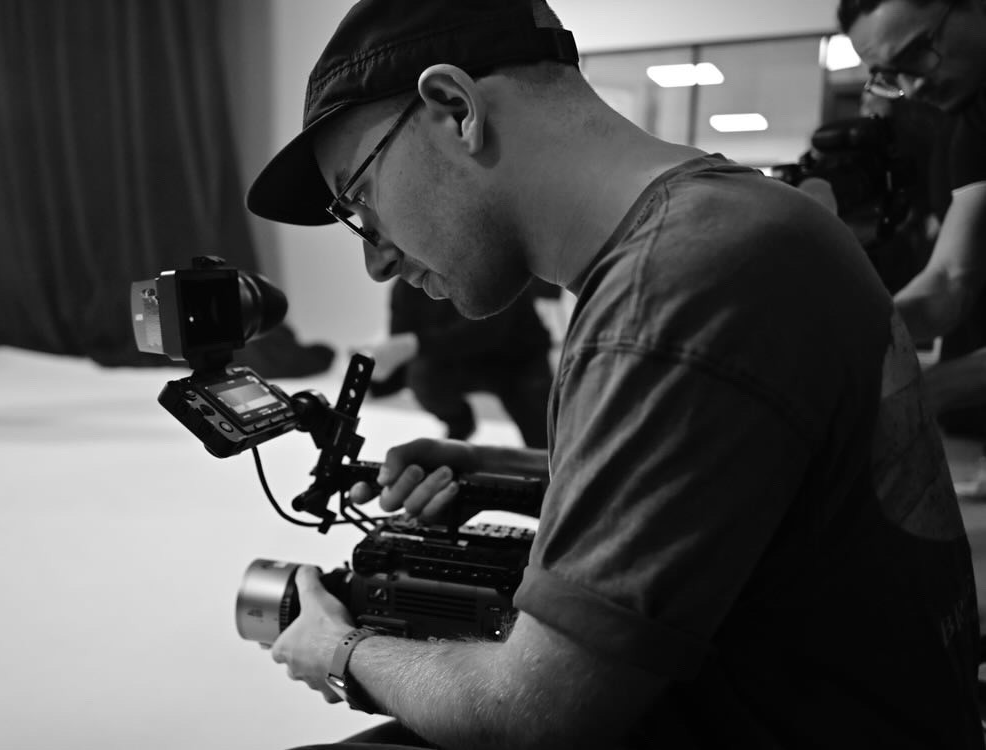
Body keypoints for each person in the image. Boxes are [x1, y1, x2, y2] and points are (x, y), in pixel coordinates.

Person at [245, 1, 982, 746]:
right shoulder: (745, 215)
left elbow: (532, 714)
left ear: (453, 108)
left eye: (359, 202)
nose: (375, 260)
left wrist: (341, 652)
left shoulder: (670, 290)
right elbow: (746, 473)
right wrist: (500, 467)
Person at [841, 0, 986, 452]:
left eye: (916, 53)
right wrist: (836, 335)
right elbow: (948, 280)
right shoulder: (973, 121)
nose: (913, 84)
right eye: (889, 73)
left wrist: (924, 389)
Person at [364, 277, 553, 447]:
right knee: (421, 372)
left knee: (548, 442)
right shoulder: (405, 289)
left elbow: (488, 330)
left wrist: (415, 343)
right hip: (459, 364)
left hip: (519, 359)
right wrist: (371, 386)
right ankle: (459, 423)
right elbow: (403, 364)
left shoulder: (481, 261)